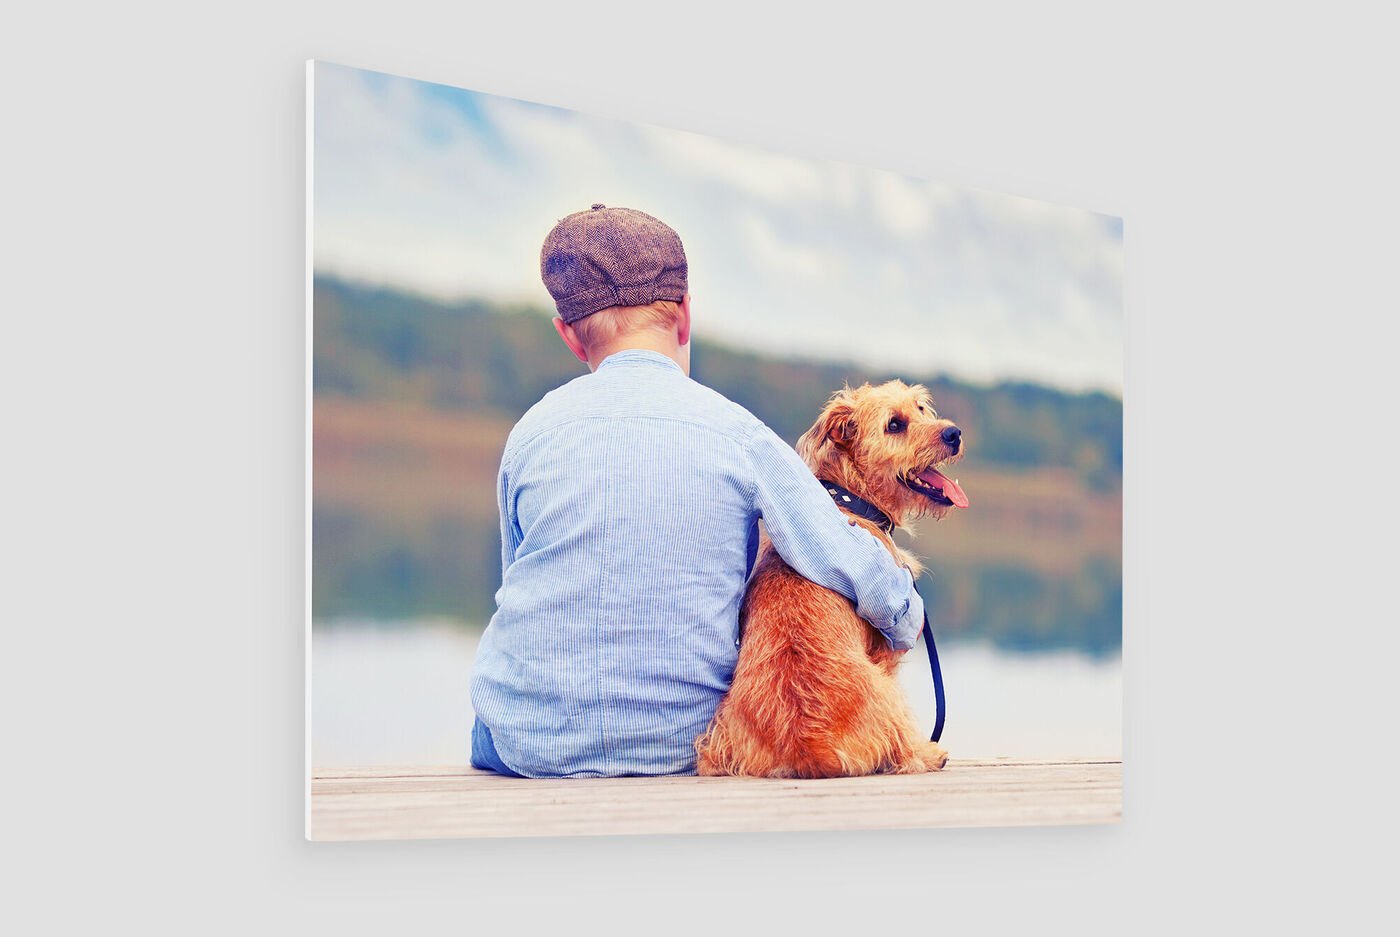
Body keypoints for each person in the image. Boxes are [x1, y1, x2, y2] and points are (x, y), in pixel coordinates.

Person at [467, 204, 924, 777]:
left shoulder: (531, 433)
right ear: (684, 315)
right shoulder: (740, 436)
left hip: (527, 745)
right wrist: (906, 618)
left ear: (568, 336)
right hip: (679, 747)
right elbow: (843, 556)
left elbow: (517, 577)